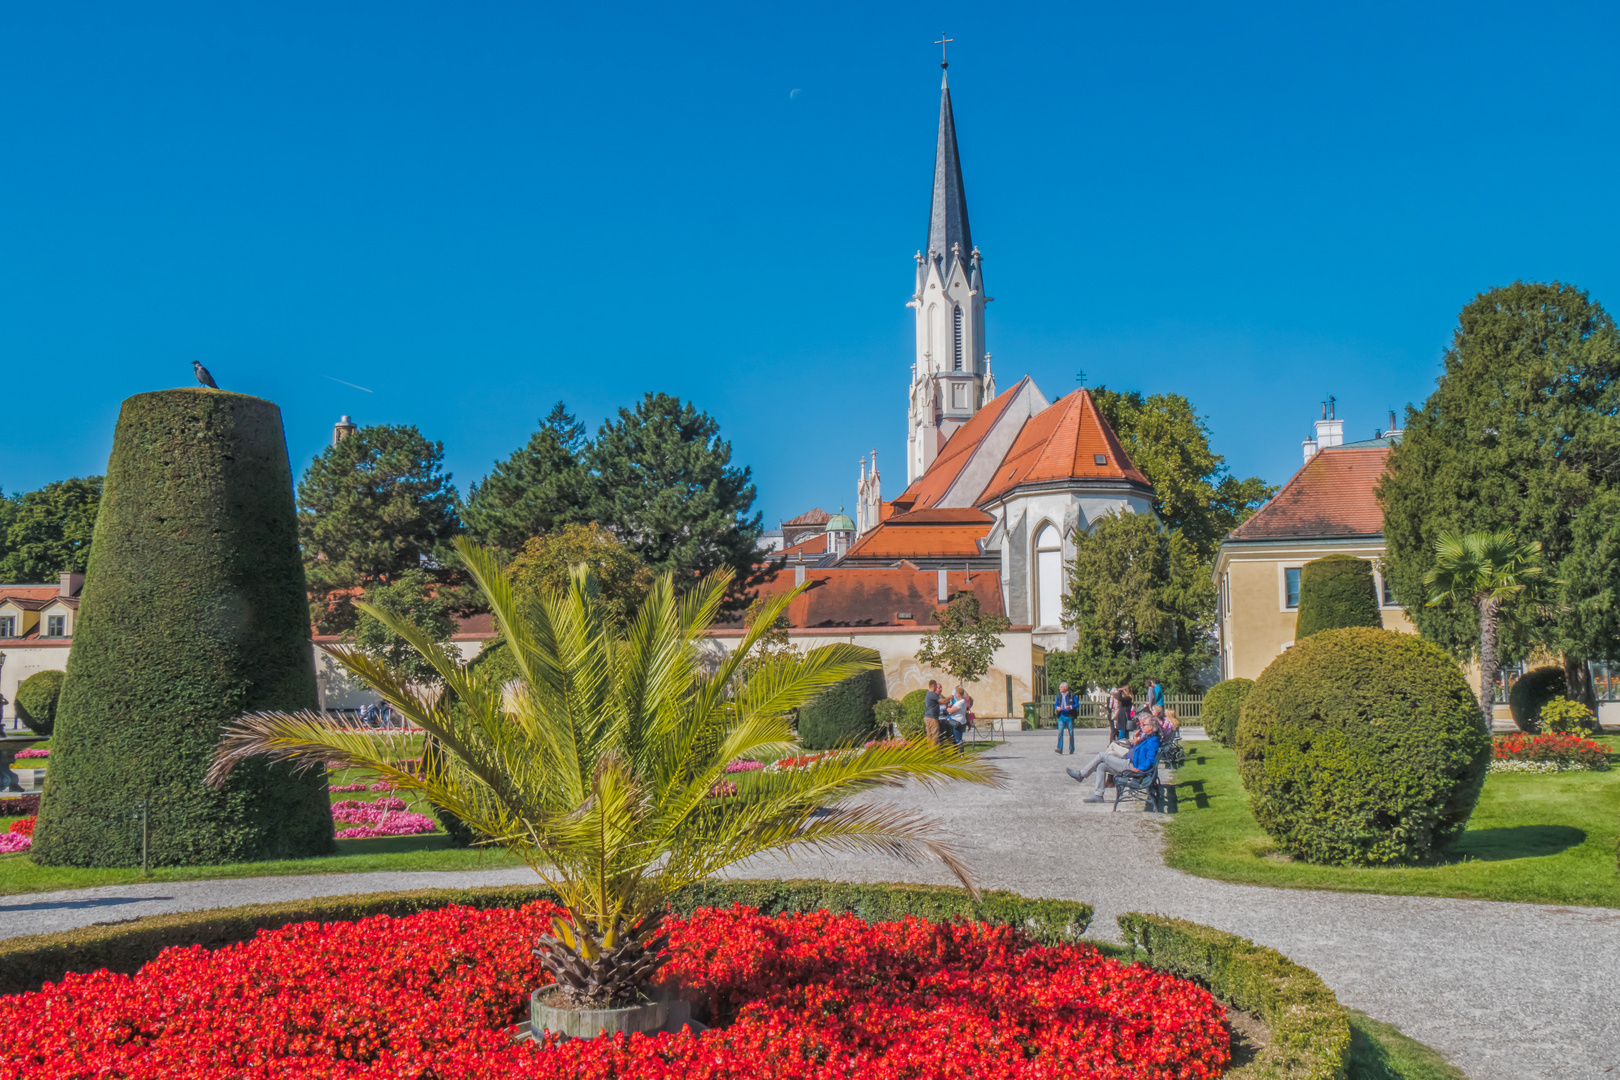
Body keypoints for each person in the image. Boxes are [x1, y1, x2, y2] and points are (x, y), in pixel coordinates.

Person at [1066, 715, 1160, 803]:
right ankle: (1098, 795)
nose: (1141, 726)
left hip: (1132, 765)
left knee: (1102, 755)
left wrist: (1141, 769)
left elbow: (1150, 759)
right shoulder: (1148, 738)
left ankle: (1081, 775)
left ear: (1151, 727)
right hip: (1130, 762)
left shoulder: (1153, 741)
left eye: (1144, 725)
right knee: (1101, 766)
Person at [1052, 681, 1080, 755]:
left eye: (1061, 687)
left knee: (1071, 733)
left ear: (1066, 688)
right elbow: (1055, 705)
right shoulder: (1059, 696)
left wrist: (1070, 707)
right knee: (1060, 732)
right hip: (1061, 716)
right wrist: (1057, 708)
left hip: (1069, 716)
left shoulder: (1072, 695)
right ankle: (1060, 748)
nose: (1059, 688)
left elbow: (1077, 705)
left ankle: (1071, 749)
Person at [923, 680, 943, 745]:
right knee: (935, 735)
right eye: (936, 686)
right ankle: (933, 752)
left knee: (930, 735)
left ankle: (930, 752)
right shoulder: (932, 694)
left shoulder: (928, 694)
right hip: (932, 717)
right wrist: (949, 698)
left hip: (927, 716)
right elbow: (943, 701)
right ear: (933, 686)